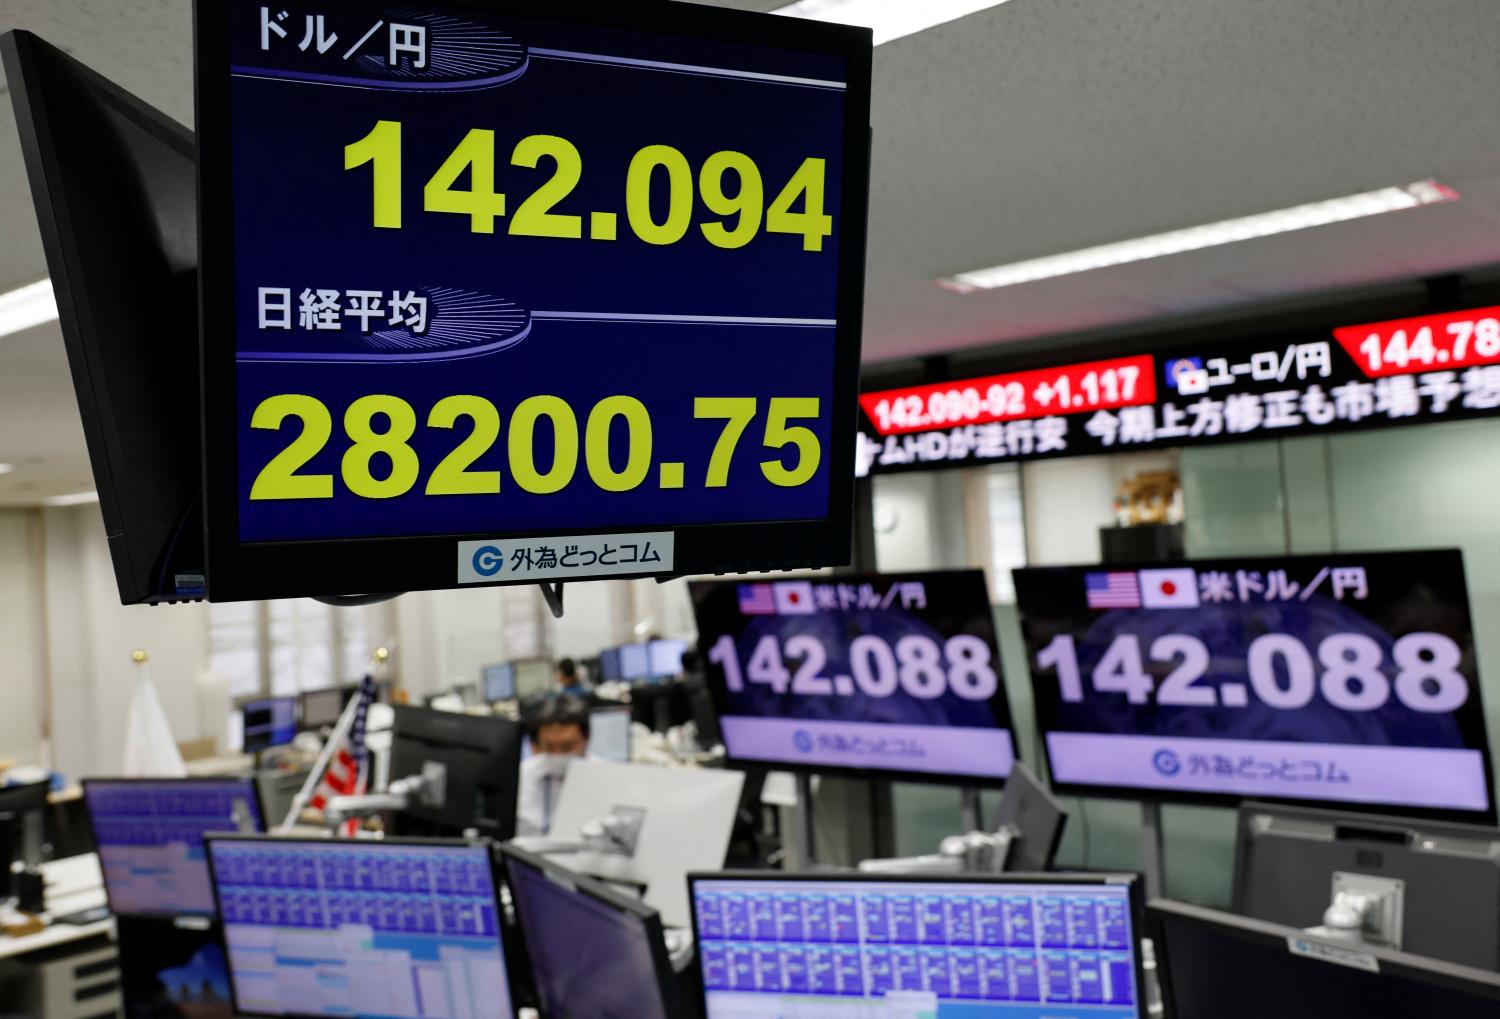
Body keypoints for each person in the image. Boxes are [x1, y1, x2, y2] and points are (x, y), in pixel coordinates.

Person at [516, 696, 591, 837]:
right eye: (549, 747)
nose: (558, 754)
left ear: (586, 739)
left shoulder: (610, 779)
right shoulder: (518, 778)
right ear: (533, 746)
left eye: (568, 746)